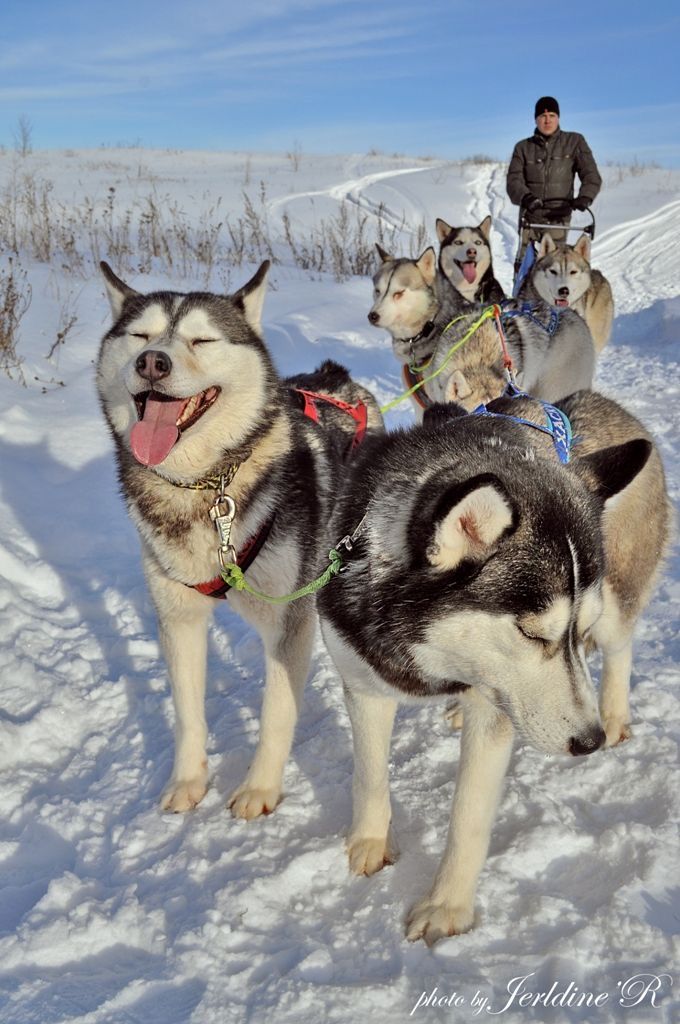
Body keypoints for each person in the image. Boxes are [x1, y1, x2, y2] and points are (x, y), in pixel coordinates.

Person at [507, 96, 602, 264]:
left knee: (553, 269)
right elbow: (513, 181)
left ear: (558, 118)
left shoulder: (574, 142)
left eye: (552, 115)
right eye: (542, 116)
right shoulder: (523, 148)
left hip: (558, 219)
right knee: (525, 266)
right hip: (531, 219)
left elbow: (591, 175)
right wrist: (526, 198)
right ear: (536, 119)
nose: (547, 120)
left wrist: (585, 197)